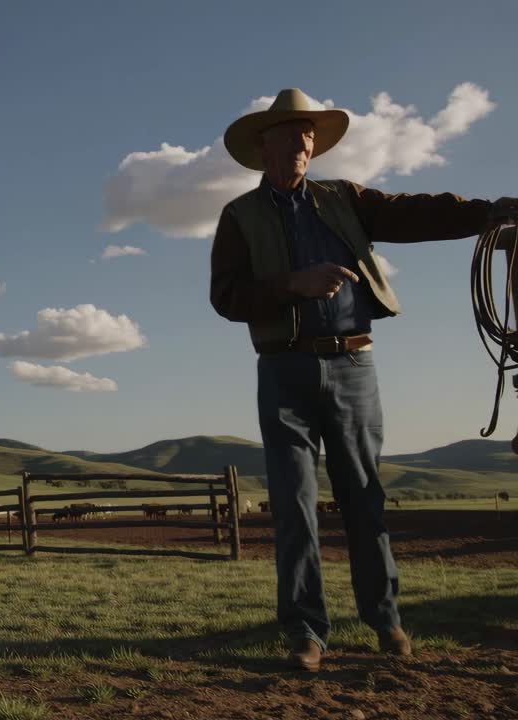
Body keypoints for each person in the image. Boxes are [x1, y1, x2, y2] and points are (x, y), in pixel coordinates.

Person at [209, 88, 517, 672]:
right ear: (264, 143)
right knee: (294, 504)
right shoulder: (239, 217)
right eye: (292, 131)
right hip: (285, 367)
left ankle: (386, 620)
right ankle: (305, 633)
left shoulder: (344, 199)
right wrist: (291, 286)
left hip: (354, 364)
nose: (304, 142)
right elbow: (226, 297)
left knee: (364, 498)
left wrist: (488, 211)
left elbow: (413, 211)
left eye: (309, 134)